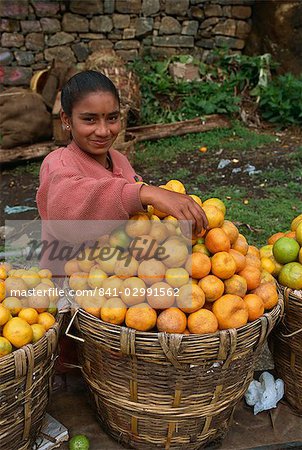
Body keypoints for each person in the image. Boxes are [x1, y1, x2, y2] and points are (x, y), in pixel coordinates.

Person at [36, 70, 208, 276]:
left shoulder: (120, 160)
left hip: (123, 287)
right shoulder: (59, 163)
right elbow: (67, 213)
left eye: (112, 118)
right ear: (66, 119)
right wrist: (145, 193)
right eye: (89, 120)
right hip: (70, 289)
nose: (103, 130)